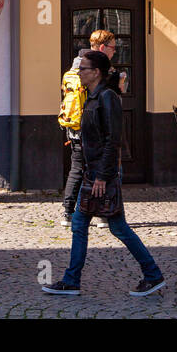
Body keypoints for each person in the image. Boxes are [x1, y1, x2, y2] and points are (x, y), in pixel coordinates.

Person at [42, 50, 166, 297]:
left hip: (101, 174)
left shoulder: (107, 97)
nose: (79, 72)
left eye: (84, 68)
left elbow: (113, 140)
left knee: (117, 227)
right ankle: (72, 280)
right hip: (94, 172)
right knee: (81, 223)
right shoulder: (93, 95)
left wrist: (101, 176)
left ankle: (152, 275)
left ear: (96, 72)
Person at [58, 29, 123, 227]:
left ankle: (69, 213)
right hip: (93, 130)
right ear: (103, 48)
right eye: (112, 48)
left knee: (77, 169)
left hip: (75, 127)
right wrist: (118, 83)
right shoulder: (95, 69)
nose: (114, 52)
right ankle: (104, 214)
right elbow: (106, 100)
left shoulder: (75, 66)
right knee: (101, 170)